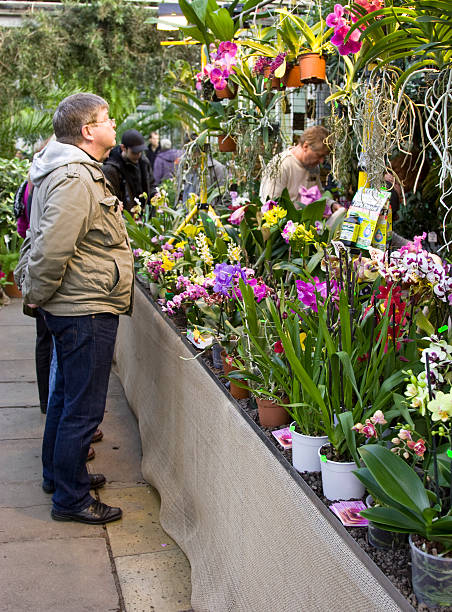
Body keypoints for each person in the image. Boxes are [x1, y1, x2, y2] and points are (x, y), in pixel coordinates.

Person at [15, 92, 134, 524]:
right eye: (106, 118)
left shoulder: (72, 172)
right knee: (82, 408)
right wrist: (41, 296)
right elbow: (50, 249)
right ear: (88, 131)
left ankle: (61, 476)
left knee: (67, 399)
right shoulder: (75, 178)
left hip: (77, 304)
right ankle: (71, 498)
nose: (113, 123)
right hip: (81, 308)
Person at [259, 125, 331, 206]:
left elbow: (318, 195)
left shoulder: (313, 166)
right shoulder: (281, 165)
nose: (322, 161)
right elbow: (269, 204)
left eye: (324, 156)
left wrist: (331, 205)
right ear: (305, 146)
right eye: (319, 155)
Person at [102, 128, 156, 213]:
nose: (138, 155)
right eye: (134, 152)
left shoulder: (144, 163)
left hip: (144, 216)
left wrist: (155, 195)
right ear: (123, 148)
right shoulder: (111, 169)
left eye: (140, 151)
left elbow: (151, 184)